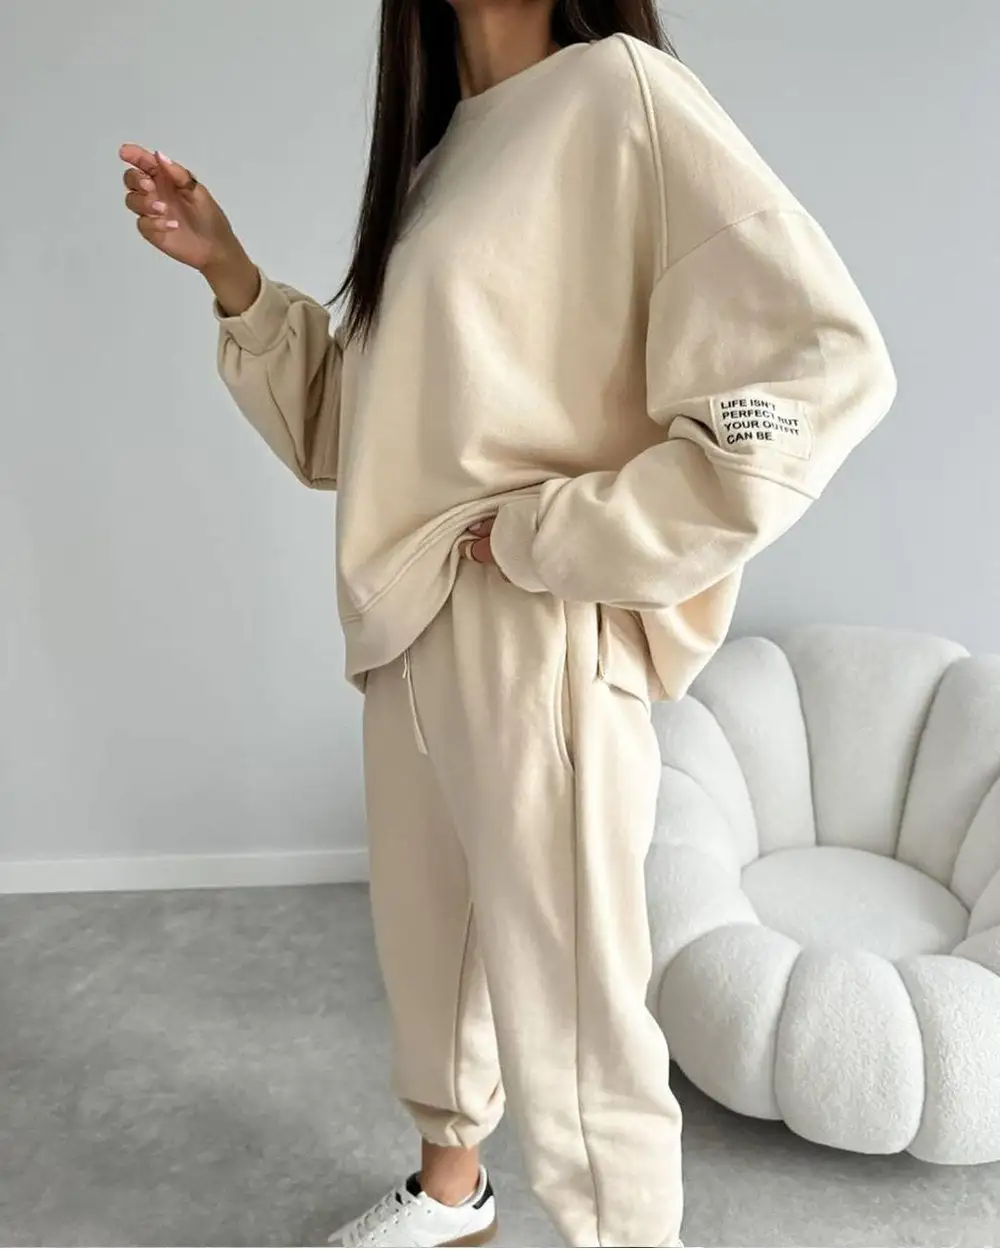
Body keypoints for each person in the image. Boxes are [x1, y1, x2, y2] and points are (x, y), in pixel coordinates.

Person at [119, 0, 896, 1244]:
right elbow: (354, 433)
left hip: (536, 627)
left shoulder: (622, 93)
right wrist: (231, 273)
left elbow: (823, 363)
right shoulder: (440, 157)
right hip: (411, 621)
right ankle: (452, 1188)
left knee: (576, 1005)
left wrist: (564, 530)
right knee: (433, 945)